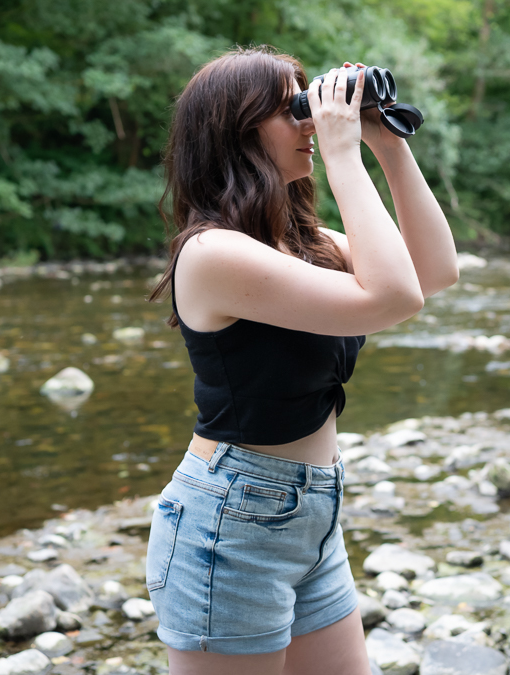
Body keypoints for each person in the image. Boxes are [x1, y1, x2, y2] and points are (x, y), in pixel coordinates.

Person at [144, 46, 458, 675]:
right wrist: (343, 155)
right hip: (231, 525)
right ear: (236, 130)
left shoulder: (302, 243)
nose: (312, 120)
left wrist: (385, 141)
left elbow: (432, 272)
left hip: (312, 515)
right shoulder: (212, 253)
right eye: (292, 108)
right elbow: (392, 298)